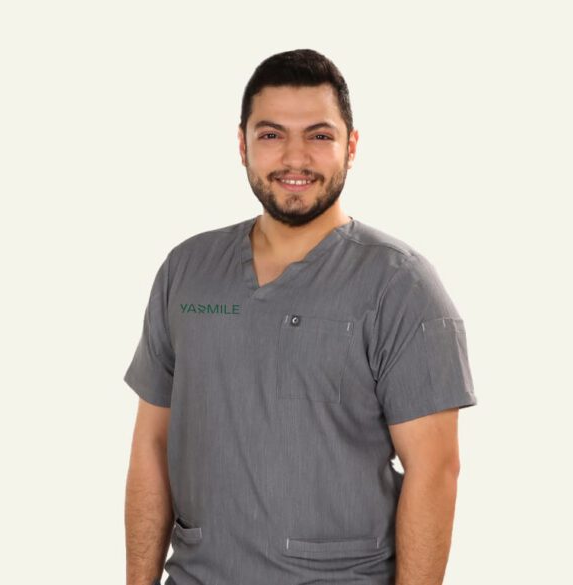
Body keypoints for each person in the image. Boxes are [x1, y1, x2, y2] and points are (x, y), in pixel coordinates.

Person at [123, 48, 477, 585]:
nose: (295, 158)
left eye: (319, 135)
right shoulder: (187, 270)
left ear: (350, 147)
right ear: (241, 144)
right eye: (271, 135)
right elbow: (151, 445)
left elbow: (435, 472)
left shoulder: (401, 286)